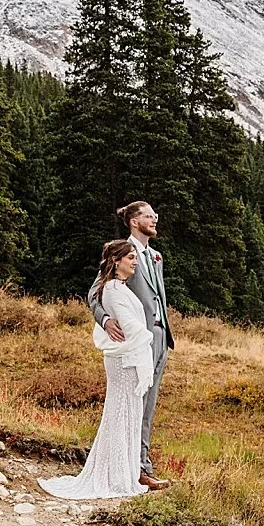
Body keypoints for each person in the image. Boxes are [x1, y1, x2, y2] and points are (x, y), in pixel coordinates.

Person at [40, 240, 153, 500]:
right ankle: (114, 477)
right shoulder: (112, 290)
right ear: (116, 261)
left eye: (135, 257)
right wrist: (148, 338)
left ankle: (122, 474)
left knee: (128, 414)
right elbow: (129, 325)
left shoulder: (119, 287)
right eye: (131, 258)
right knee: (120, 414)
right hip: (123, 359)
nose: (135, 262)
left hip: (127, 356)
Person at [90, 200, 174, 488]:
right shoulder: (122, 252)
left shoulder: (155, 256)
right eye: (149, 216)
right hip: (136, 339)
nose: (155, 219)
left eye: (155, 215)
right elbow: (95, 291)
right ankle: (138, 468)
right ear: (134, 221)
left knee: (148, 405)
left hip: (161, 338)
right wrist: (105, 320)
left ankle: (140, 462)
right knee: (134, 401)